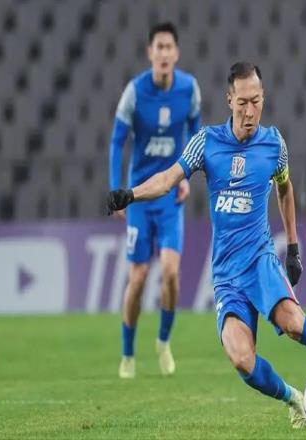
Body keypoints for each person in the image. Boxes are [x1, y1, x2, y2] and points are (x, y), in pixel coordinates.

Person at [107, 62, 306, 428]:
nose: (250, 111)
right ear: (229, 100)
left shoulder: (274, 144)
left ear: (263, 98)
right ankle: (294, 399)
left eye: (256, 101)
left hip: (260, 260)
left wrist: (293, 247)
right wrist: (130, 194)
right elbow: (168, 179)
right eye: (243, 102)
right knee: (241, 359)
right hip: (226, 275)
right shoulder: (206, 143)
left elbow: (285, 189)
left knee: (294, 323)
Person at [109, 22, 201, 379]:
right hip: (140, 197)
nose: (163, 53)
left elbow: (196, 133)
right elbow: (117, 141)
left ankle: (163, 342)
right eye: (158, 47)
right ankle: (127, 353)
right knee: (138, 277)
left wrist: (187, 175)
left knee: (171, 272)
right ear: (150, 53)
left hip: (170, 196)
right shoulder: (134, 92)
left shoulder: (189, 89)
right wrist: (116, 190)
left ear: (176, 53)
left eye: (168, 47)